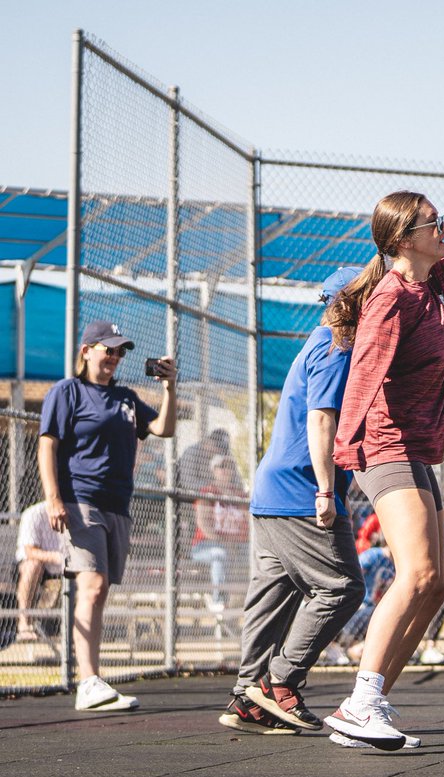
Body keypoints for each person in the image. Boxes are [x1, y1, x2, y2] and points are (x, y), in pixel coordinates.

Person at [323, 146, 444, 749]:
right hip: (385, 447)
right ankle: (359, 704)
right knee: (418, 573)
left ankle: (372, 701)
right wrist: (339, 462)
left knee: (436, 587)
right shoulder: (390, 299)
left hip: (417, 451)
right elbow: (363, 375)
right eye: (434, 222)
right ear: (404, 239)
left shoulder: (441, 287)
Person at [218, 266, 366, 738]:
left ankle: (247, 697)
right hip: (301, 490)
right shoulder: (337, 346)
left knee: (274, 594)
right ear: (351, 302)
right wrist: (326, 489)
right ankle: (279, 679)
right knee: (342, 587)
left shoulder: (317, 342)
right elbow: (321, 419)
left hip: (273, 489)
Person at [38, 320, 177, 711]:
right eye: (108, 349)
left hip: (118, 505)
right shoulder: (67, 392)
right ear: (87, 351)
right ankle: (87, 681)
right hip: (81, 499)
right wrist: (53, 498)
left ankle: (92, 678)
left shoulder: (127, 398)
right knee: (93, 585)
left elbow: (163, 429)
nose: (114, 357)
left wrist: (169, 387)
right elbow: (47, 444)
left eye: (119, 352)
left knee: (100, 592)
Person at [191, 454, 249, 610]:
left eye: (228, 467)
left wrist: (237, 543)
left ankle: (257, 599)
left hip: (237, 546)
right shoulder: (207, 492)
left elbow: (249, 523)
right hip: (205, 546)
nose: (224, 470)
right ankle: (218, 601)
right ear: (214, 470)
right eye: (220, 467)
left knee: (257, 553)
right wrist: (224, 543)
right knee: (219, 553)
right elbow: (203, 524)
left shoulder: (240, 495)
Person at [12, 501, 64, 642]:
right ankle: (24, 622)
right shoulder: (34, 513)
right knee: (33, 565)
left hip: (61, 569)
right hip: (33, 566)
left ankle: (75, 626)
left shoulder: (76, 513)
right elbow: (30, 551)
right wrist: (55, 557)